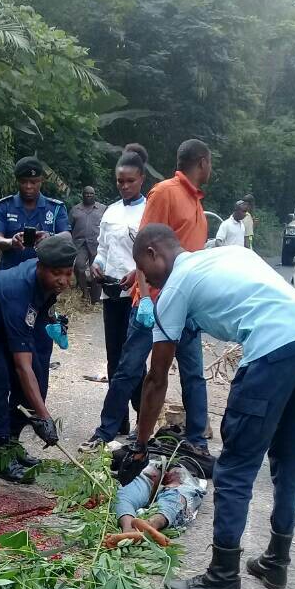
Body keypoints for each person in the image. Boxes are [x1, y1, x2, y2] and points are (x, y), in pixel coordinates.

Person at [117, 224, 295, 589]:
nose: (145, 279)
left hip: (274, 350)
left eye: (143, 268)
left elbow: (156, 379)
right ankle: (276, 561)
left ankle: (221, 578)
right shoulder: (228, 255)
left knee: (236, 467)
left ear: (153, 253)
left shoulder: (176, 286)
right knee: (290, 459)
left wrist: (139, 445)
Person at [80, 139, 211, 453]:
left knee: (193, 375)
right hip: (156, 301)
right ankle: (105, 431)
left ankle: (197, 441)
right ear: (203, 162)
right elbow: (144, 247)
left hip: (187, 305)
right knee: (130, 367)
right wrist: (147, 296)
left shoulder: (197, 203)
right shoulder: (165, 192)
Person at [0, 235, 78, 484]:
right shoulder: (18, 290)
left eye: (68, 273)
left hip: (6, 317)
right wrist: (44, 418)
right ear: (40, 267)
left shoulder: (46, 282)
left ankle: (13, 446)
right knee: (0, 378)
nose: (63, 281)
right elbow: (22, 367)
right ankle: (0, 457)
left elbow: (33, 362)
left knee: (39, 373)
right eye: (57, 273)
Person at [88, 144, 149, 437]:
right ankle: (119, 419)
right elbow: (103, 249)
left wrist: (137, 274)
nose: (124, 186)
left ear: (141, 180)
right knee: (114, 357)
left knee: (133, 360)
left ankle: (143, 418)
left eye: (130, 181)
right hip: (112, 293)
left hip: (139, 297)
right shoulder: (110, 212)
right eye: (119, 181)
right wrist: (97, 265)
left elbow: (156, 256)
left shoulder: (150, 211)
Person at [0, 157, 71, 271]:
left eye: (33, 182)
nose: (28, 186)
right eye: (23, 181)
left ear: (41, 180)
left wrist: (50, 237)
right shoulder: (4, 206)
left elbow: (67, 236)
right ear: (17, 181)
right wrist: (11, 242)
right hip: (10, 276)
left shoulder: (56, 208)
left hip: (44, 277)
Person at [114, 460, 206, 533]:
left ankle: (134, 527)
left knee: (177, 490)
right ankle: (145, 525)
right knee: (178, 493)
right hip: (152, 462)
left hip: (160, 462)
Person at [70, 186, 106, 303]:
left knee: (96, 271)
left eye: (91, 194)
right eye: (86, 194)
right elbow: (69, 228)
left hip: (97, 244)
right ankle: (85, 292)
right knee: (79, 267)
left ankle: (95, 298)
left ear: (94, 195)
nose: (89, 196)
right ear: (83, 195)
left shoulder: (102, 209)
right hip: (80, 244)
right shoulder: (75, 209)